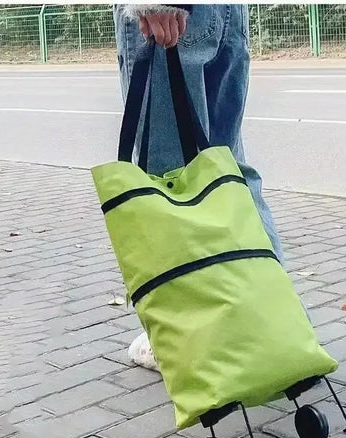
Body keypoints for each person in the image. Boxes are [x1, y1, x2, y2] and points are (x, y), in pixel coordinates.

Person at [113, 4, 285, 370]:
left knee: (168, 184)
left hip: (176, 17)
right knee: (228, 174)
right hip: (226, 11)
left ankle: (192, 342)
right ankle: (276, 324)